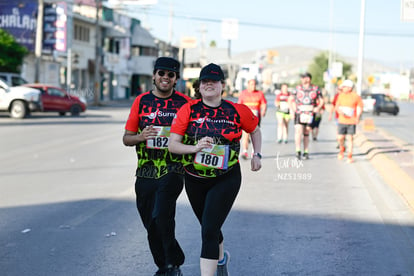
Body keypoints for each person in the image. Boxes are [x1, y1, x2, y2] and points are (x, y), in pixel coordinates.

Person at [168, 63, 262, 276]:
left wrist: (257, 154)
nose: (209, 84)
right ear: (199, 87)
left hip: (226, 177)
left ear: (222, 85)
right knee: (209, 227)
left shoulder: (237, 110)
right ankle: (220, 260)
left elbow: (255, 130)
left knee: (208, 230)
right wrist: (195, 147)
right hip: (194, 179)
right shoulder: (188, 110)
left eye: (214, 81)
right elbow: (173, 145)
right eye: (204, 81)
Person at [122, 57, 190, 276]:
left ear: (176, 79)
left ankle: (172, 265)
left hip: (173, 169)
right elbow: (127, 138)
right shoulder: (141, 101)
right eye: (161, 73)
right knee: (150, 220)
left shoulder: (184, 103)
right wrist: (141, 136)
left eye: (170, 75)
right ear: (154, 75)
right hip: (145, 170)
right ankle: (165, 263)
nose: (165, 78)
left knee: (162, 214)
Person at [288, 72, 324, 160]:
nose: (305, 79)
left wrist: (318, 107)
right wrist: (292, 111)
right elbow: (290, 100)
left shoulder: (315, 89)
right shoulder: (297, 89)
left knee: (307, 132)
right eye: (303, 78)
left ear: (310, 79)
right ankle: (298, 150)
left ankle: (306, 151)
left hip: (310, 112)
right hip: (299, 112)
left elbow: (322, 100)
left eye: (306, 78)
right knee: (298, 130)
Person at [334, 79, 363, 163]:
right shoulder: (340, 96)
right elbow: (337, 107)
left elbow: (359, 107)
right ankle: (341, 149)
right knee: (340, 137)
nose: (343, 88)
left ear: (349, 88)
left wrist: (357, 117)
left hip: (351, 121)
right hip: (342, 120)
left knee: (350, 138)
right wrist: (340, 112)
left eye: (344, 87)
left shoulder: (356, 96)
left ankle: (350, 156)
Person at [237, 78, 267, 159]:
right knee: (245, 134)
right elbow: (239, 105)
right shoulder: (243, 93)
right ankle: (245, 151)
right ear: (248, 85)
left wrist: (263, 110)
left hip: (256, 117)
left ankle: (254, 152)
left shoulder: (259, 93)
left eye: (254, 84)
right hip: (245, 117)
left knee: (254, 133)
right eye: (251, 84)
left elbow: (264, 103)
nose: (253, 86)